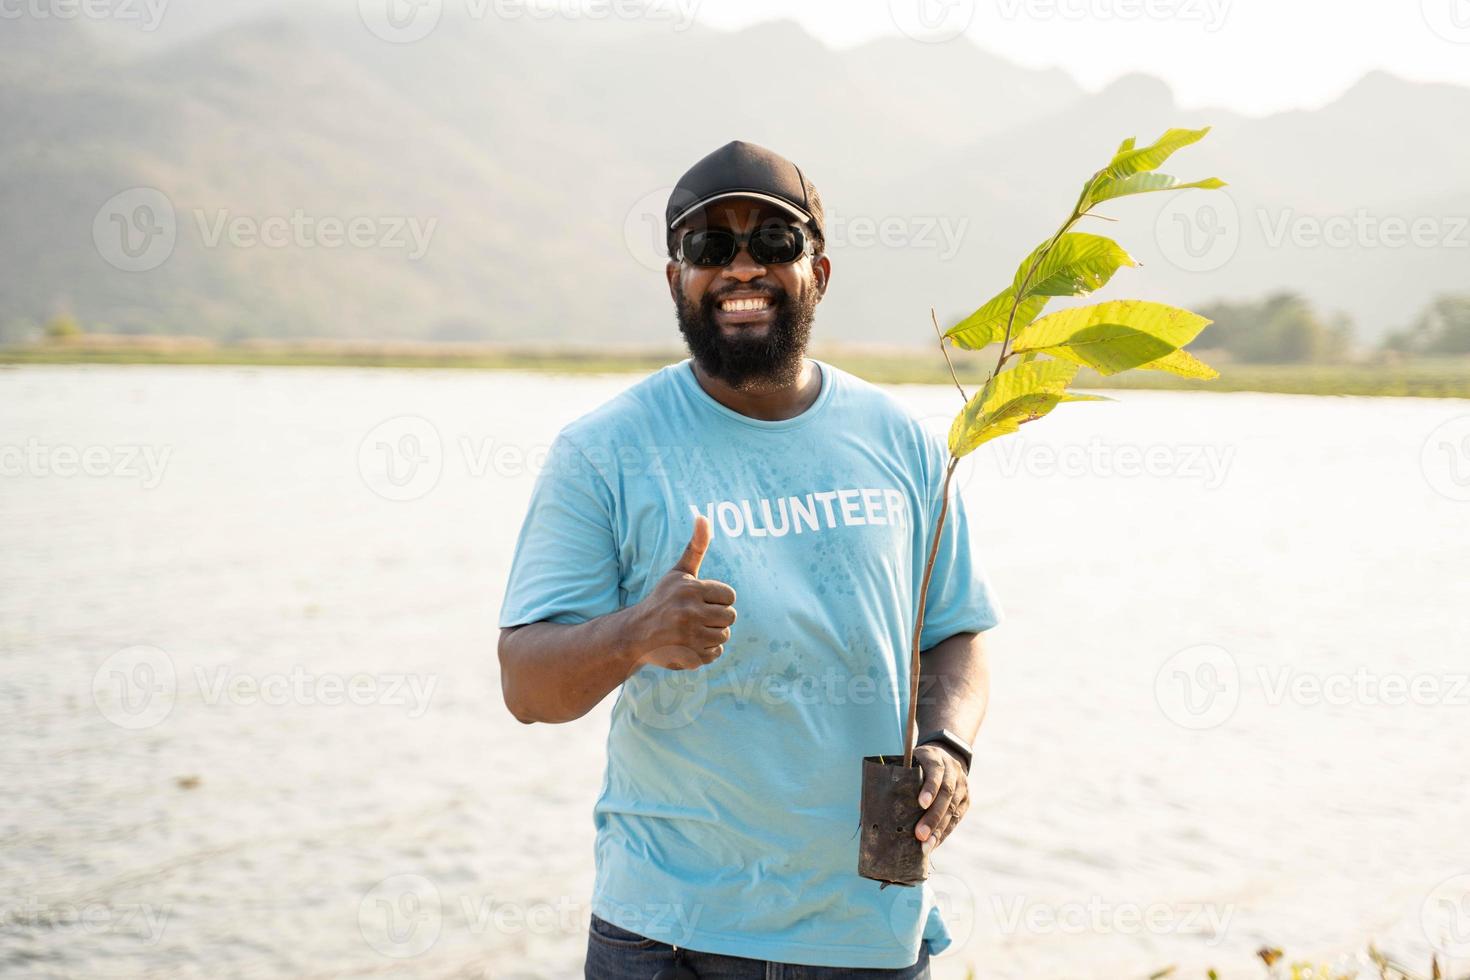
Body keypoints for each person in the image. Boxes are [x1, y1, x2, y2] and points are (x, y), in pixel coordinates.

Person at [497, 140, 1002, 978]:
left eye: (773, 244)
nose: (741, 268)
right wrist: (633, 636)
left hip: (868, 927)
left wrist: (948, 746)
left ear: (820, 271)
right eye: (708, 247)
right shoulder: (604, 451)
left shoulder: (901, 443)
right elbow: (525, 685)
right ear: (674, 279)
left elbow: (958, 630)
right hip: (669, 934)